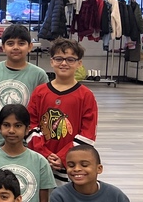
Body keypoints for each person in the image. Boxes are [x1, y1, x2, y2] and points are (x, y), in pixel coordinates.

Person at [27, 37, 98, 182]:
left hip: (71, 164)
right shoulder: (40, 92)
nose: (64, 63)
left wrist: (63, 157)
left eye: (70, 59)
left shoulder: (86, 96)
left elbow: (87, 134)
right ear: (51, 61)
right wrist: (45, 153)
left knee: (66, 200)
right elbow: (31, 125)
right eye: (59, 58)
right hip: (40, 160)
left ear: (79, 63)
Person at [0, 24, 47, 153]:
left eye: (21, 43)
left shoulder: (39, 75)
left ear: (30, 46)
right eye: (10, 43)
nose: (16, 47)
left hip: (26, 142)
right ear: (3, 47)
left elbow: (42, 110)